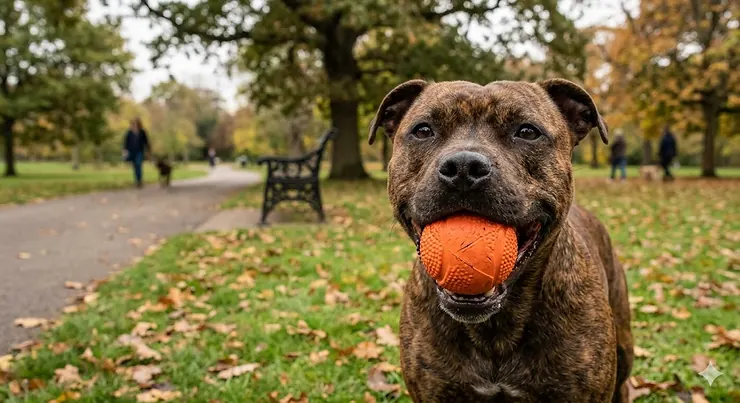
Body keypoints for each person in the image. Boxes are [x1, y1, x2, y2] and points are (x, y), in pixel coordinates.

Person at [122, 118, 150, 188]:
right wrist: (125, 151)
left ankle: (139, 181)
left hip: (139, 151)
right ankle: (137, 181)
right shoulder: (129, 132)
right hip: (131, 152)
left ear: (139, 124)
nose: (134, 125)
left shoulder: (142, 132)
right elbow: (126, 142)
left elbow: (146, 142)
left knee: (138, 164)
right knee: (135, 167)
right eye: (133, 123)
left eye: (136, 123)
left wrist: (148, 151)